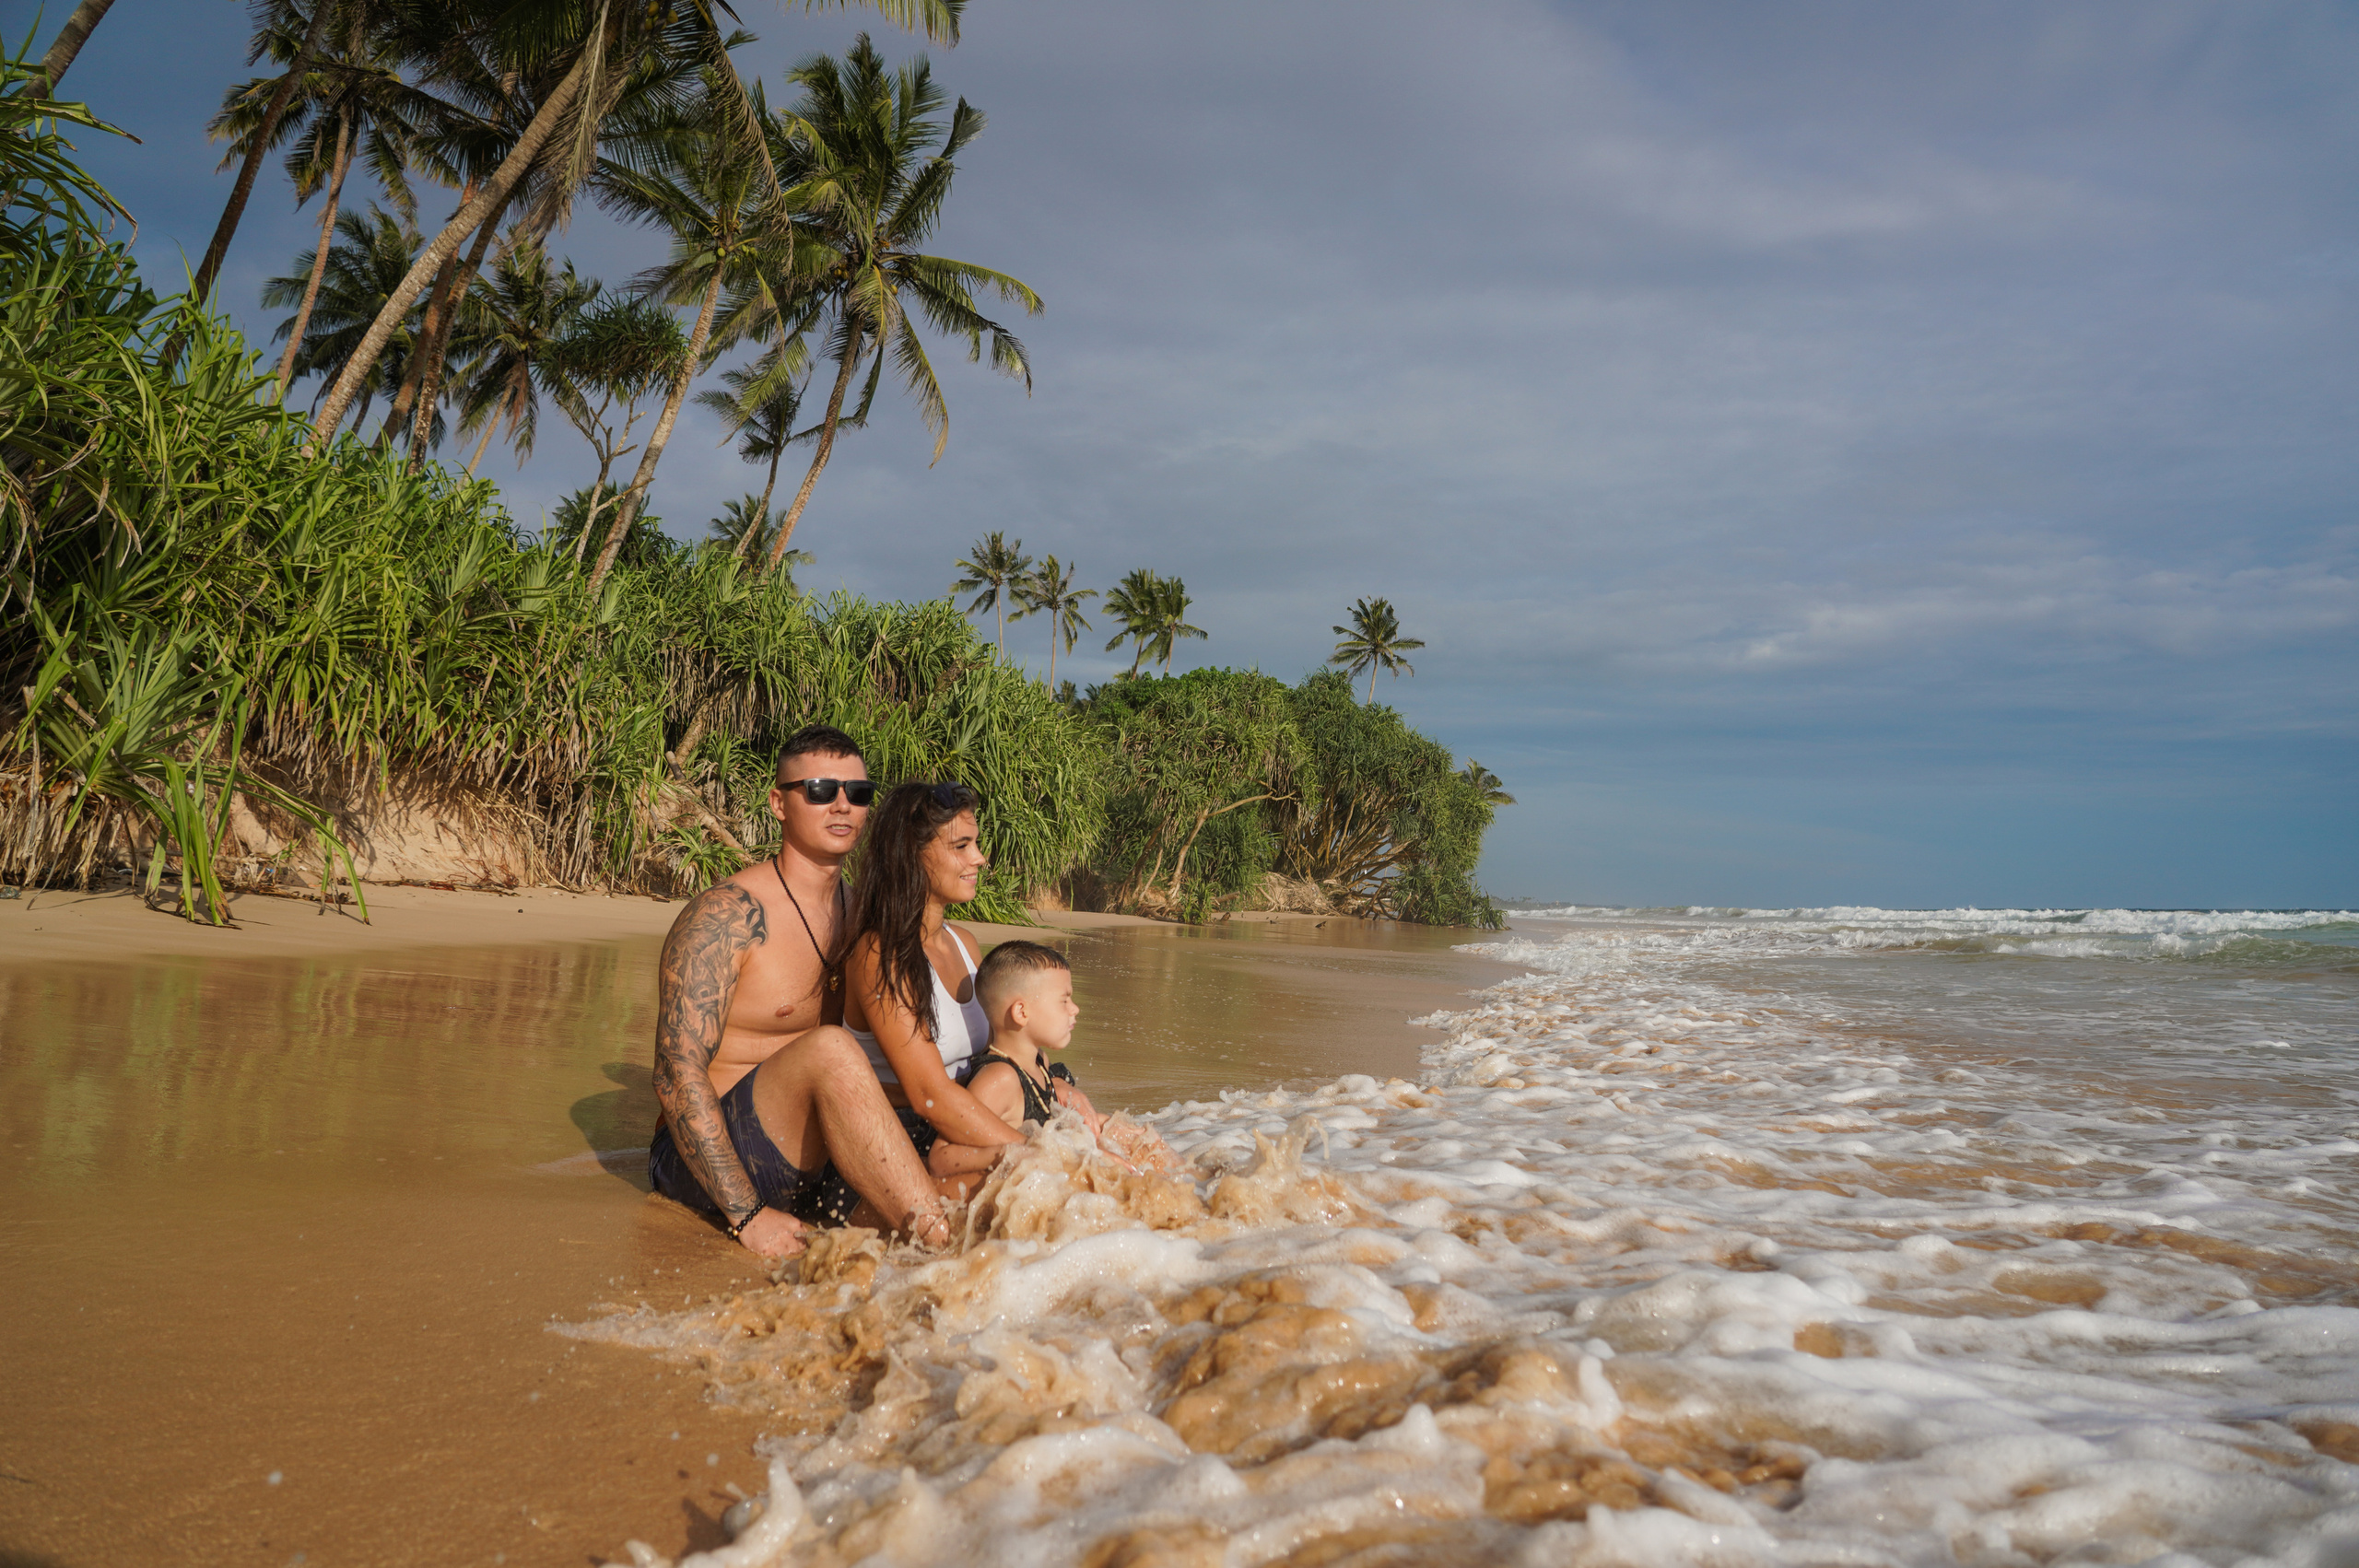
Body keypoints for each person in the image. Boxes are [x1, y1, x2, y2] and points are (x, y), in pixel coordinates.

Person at [646, 725, 948, 1258]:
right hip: (713, 1166)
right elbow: (675, 1074)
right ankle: (949, 1260)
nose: (841, 806)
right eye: (818, 790)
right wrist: (749, 1217)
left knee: (958, 1151)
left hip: (820, 1157)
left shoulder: (867, 920)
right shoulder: (726, 916)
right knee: (832, 1050)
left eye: (857, 794)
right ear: (779, 803)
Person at [836, 782, 1093, 1188]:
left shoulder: (964, 943)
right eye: (962, 846)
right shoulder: (880, 954)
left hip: (971, 1127)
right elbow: (928, 1096)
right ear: (912, 854)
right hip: (905, 1144)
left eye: (976, 844)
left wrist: (1054, 1086)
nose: (980, 858)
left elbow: (1012, 1046)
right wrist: (1050, 1155)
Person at [924, 940, 1099, 1199]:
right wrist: (1016, 1154)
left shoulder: (1040, 1061)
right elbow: (941, 1158)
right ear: (1021, 1012)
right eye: (1064, 1000)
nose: (1075, 1008)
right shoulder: (1000, 1079)